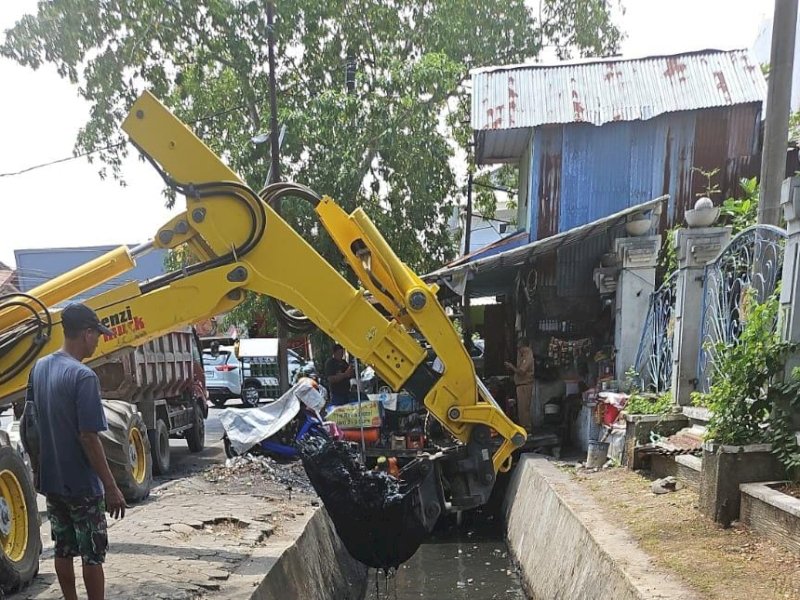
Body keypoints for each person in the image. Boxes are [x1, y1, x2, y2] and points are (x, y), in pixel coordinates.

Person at [22, 302, 127, 600]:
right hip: (82, 485)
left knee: (63, 548)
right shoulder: (83, 377)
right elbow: (89, 437)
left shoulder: (39, 368)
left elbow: (29, 424)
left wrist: (38, 469)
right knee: (93, 554)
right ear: (86, 333)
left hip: (53, 482)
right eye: (98, 334)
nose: (99, 340)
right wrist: (111, 486)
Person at [505, 342, 534, 432]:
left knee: (524, 409)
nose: (519, 350)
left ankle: (527, 429)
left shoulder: (528, 355)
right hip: (520, 384)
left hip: (525, 385)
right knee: (521, 409)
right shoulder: (522, 355)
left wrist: (511, 367)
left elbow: (522, 371)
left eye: (520, 348)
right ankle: (523, 427)